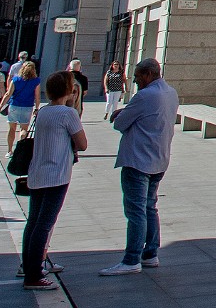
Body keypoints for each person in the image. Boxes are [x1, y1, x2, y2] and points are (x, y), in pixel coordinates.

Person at [100, 59, 177, 276]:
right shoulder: (171, 93)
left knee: (136, 210)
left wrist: (122, 114)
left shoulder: (144, 96)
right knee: (150, 207)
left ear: (148, 74)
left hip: (138, 159)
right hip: (159, 157)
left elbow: (119, 124)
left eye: (137, 76)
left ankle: (132, 258)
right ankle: (150, 253)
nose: (135, 80)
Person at [20, 72, 87, 290]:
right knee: (44, 225)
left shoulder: (43, 111)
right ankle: (34, 275)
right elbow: (82, 144)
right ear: (69, 90)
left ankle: (28, 267)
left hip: (37, 173)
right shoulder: (68, 114)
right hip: (56, 175)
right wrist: (73, 104)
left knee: (33, 222)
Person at [3, 62, 40, 154]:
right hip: (27, 107)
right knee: (23, 129)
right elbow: (37, 96)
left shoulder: (16, 79)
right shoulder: (36, 81)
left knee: (12, 129)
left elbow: (8, 94)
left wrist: (0, 107)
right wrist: (37, 108)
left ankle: (9, 151)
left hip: (14, 105)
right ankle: (19, 150)